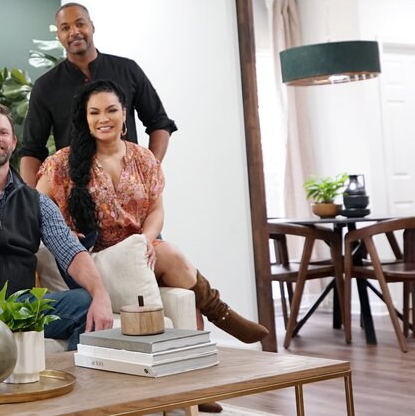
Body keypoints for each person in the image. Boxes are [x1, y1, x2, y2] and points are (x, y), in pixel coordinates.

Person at [36, 79, 269, 346]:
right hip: (93, 259)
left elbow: (157, 209)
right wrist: (67, 235)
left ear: (124, 113)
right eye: (94, 112)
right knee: (169, 253)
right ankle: (221, 313)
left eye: (111, 110)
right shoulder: (61, 163)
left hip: (137, 250)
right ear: (85, 118)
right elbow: (37, 211)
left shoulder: (143, 158)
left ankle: (195, 360)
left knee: (183, 292)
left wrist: (146, 238)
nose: (104, 118)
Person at [0, 102, 114, 350]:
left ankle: (78, 381)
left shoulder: (36, 201)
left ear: (13, 142)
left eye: (3, 133)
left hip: (24, 305)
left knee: (85, 302)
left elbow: (71, 251)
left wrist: (100, 294)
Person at [19, 2, 178, 187]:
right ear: (59, 35)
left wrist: (151, 169)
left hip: (128, 188)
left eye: (80, 24)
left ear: (92, 26)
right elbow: (32, 149)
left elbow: (159, 123)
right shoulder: (46, 86)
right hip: (75, 192)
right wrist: (32, 204)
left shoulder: (128, 70)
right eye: (65, 28)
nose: (74, 32)